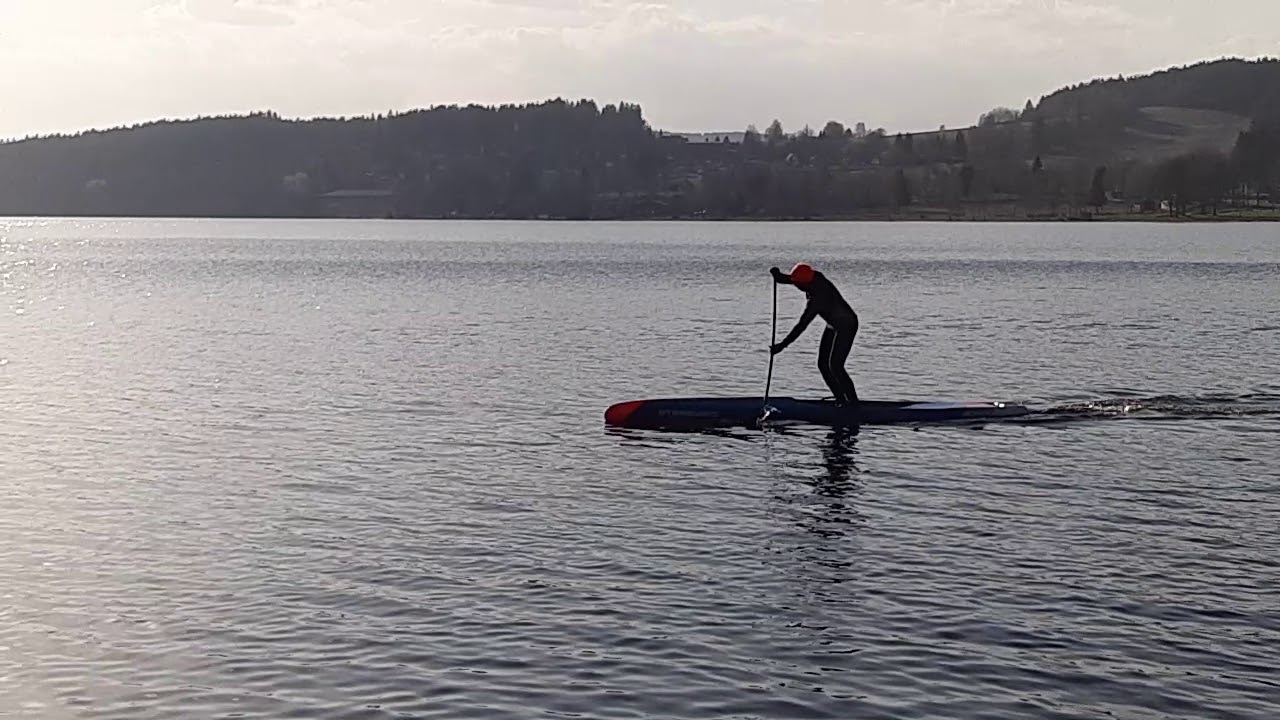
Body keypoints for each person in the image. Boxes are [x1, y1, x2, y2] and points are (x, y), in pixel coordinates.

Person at [769, 263, 860, 406]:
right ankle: (841, 400)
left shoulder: (817, 300)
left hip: (847, 325)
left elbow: (801, 326)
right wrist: (777, 276)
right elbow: (794, 279)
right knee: (823, 364)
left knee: (836, 366)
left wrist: (782, 346)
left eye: (798, 285)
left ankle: (853, 405)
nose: (796, 287)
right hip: (833, 324)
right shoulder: (813, 277)